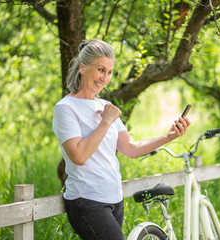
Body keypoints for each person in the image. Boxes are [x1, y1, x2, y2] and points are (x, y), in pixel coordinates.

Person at [52, 38, 190, 240]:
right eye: (100, 70)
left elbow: (131, 148)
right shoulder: (66, 108)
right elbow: (79, 156)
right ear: (82, 68)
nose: (105, 77)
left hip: (115, 200)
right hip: (87, 201)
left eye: (109, 72)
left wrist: (169, 136)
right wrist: (105, 122)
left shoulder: (105, 104)